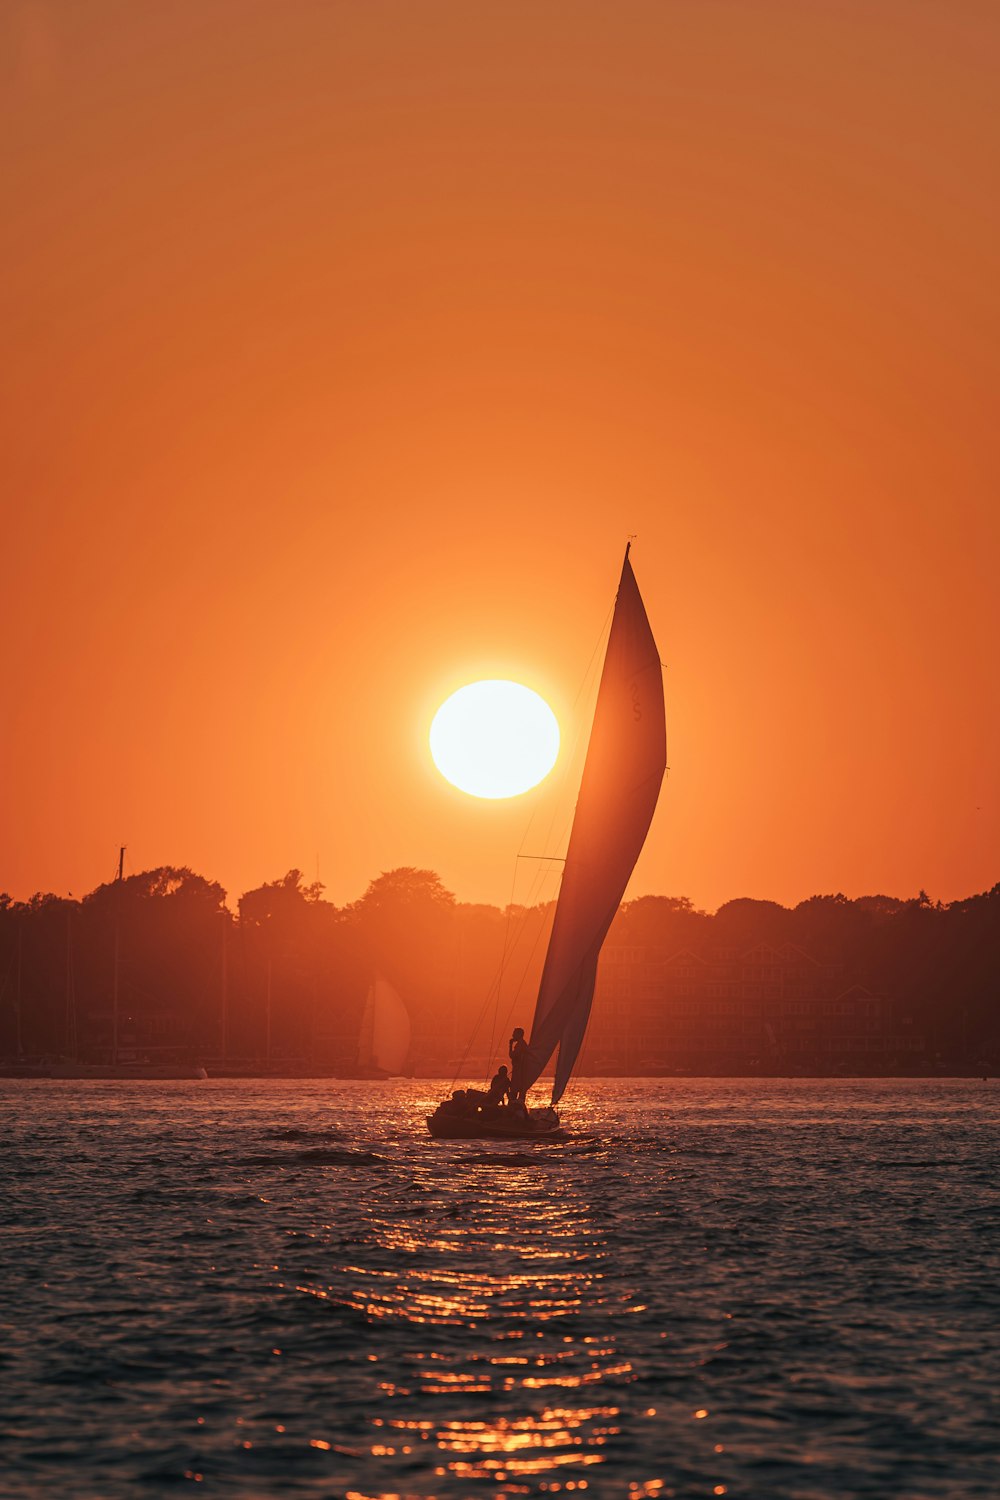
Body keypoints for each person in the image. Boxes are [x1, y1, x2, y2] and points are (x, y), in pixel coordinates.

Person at [508, 1026, 530, 1106]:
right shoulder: (522, 1044)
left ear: (519, 1034)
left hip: (518, 1072)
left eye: (514, 1034)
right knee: (520, 1090)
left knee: (514, 1090)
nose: (513, 1035)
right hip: (519, 1071)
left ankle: (514, 1108)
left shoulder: (520, 1045)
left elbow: (512, 1055)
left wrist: (510, 1045)